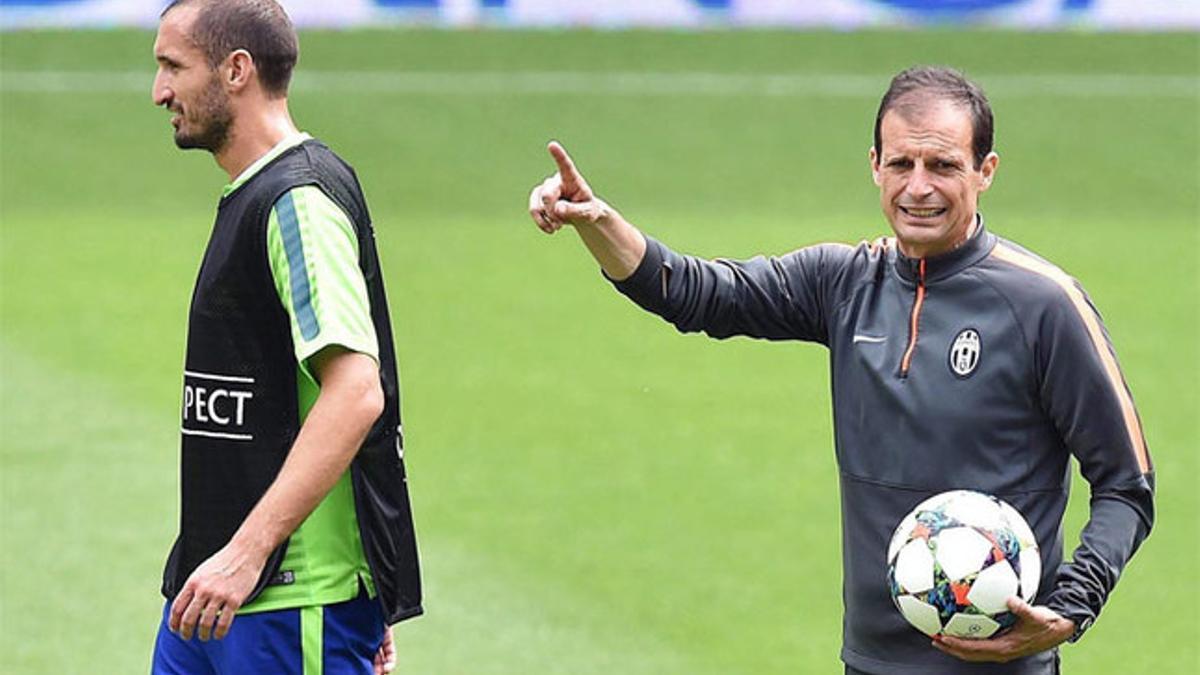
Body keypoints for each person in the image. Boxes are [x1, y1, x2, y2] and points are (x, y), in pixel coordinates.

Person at [527, 66, 1154, 674]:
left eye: (942, 165)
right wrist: (598, 220)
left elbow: (1127, 483)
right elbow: (693, 293)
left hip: (1004, 668)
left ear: (985, 172)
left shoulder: (1044, 304)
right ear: (874, 166)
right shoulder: (844, 283)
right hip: (869, 662)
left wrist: (1071, 607)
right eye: (901, 164)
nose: (918, 187)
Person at [149, 1, 421, 673]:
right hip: (211, 591)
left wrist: (251, 555)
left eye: (172, 66)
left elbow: (357, 393)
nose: (159, 92)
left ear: (236, 70)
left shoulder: (298, 200)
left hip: (289, 595)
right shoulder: (256, 194)